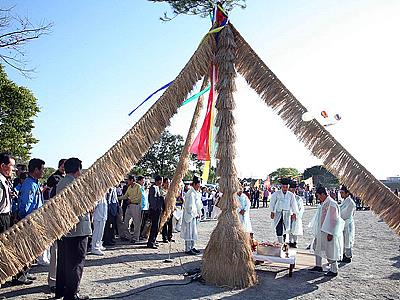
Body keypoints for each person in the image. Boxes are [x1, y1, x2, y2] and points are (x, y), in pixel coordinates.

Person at [55, 158, 90, 300]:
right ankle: (71, 295)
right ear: (78, 170)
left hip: (65, 230)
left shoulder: (61, 182)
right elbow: (82, 206)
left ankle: (61, 291)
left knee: (64, 262)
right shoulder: (76, 184)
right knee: (76, 262)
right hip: (78, 229)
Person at [309, 186, 345, 277]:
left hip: (328, 231)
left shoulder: (331, 204)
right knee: (317, 246)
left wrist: (331, 233)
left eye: (318, 196)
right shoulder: (323, 203)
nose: (318, 198)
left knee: (330, 250)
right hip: (321, 230)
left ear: (323, 194)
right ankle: (318, 265)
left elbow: (334, 220)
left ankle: (334, 270)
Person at [269, 178, 298, 243]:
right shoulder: (276, 194)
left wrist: (294, 213)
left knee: (286, 228)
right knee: (278, 227)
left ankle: (284, 242)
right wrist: (272, 211)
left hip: (287, 213)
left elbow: (293, 204)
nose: (285, 188)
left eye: (286, 187)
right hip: (278, 212)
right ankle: (280, 242)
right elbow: (272, 203)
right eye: (283, 187)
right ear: (281, 187)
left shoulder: (291, 195)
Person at [181, 175, 202, 255]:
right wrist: (195, 213)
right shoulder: (191, 193)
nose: (198, 187)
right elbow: (190, 206)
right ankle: (188, 248)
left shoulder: (196, 193)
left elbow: (198, 204)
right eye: (198, 185)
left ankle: (192, 247)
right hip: (190, 216)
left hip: (194, 216)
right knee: (189, 232)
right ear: (194, 184)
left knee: (193, 232)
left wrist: (199, 213)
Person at [119, 175, 143, 243]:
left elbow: (139, 198)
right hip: (129, 206)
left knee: (136, 223)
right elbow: (125, 196)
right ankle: (128, 236)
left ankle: (135, 238)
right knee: (126, 222)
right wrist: (117, 198)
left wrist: (131, 200)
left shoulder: (138, 187)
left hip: (136, 206)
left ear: (132, 180)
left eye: (128, 180)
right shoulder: (129, 187)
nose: (127, 181)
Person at [339, 185, 356, 263]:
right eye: (340, 193)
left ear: (347, 193)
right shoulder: (344, 202)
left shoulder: (351, 203)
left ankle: (348, 256)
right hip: (342, 223)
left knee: (347, 240)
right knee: (343, 240)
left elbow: (348, 215)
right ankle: (344, 255)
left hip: (347, 224)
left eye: (342, 193)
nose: (341, 194)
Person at [147, 175, 164, 249]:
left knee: (156, 226)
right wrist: (155, 208)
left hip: (158, 209)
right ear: (159, 181)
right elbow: (152, 199)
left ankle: (153, 240)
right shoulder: (153, 188)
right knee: (154, 226)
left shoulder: (157, 187)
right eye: (161, 180)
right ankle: (150, 242)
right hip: (155, 210)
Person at [288, 181, 304, 248]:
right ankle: (289, 241)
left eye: (293, 188)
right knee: (288, 229)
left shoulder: (298, 198)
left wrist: (296, 214)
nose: (292, 190)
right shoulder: (287, 197)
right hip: (288, 216)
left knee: (295, 229)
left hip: (295, 216)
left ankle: (295, 242)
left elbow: (301, 208)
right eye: (290, 188)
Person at [161, 178, 174, 243]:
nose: (168, 184)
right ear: (164, 183)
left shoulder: (170, 191)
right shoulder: (162, 191)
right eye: (167, 183)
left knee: (170, 224)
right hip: (165, 209)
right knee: (165, 224)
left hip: (170, 210)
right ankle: (164, 237)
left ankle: (170, 236)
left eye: (169, 183)